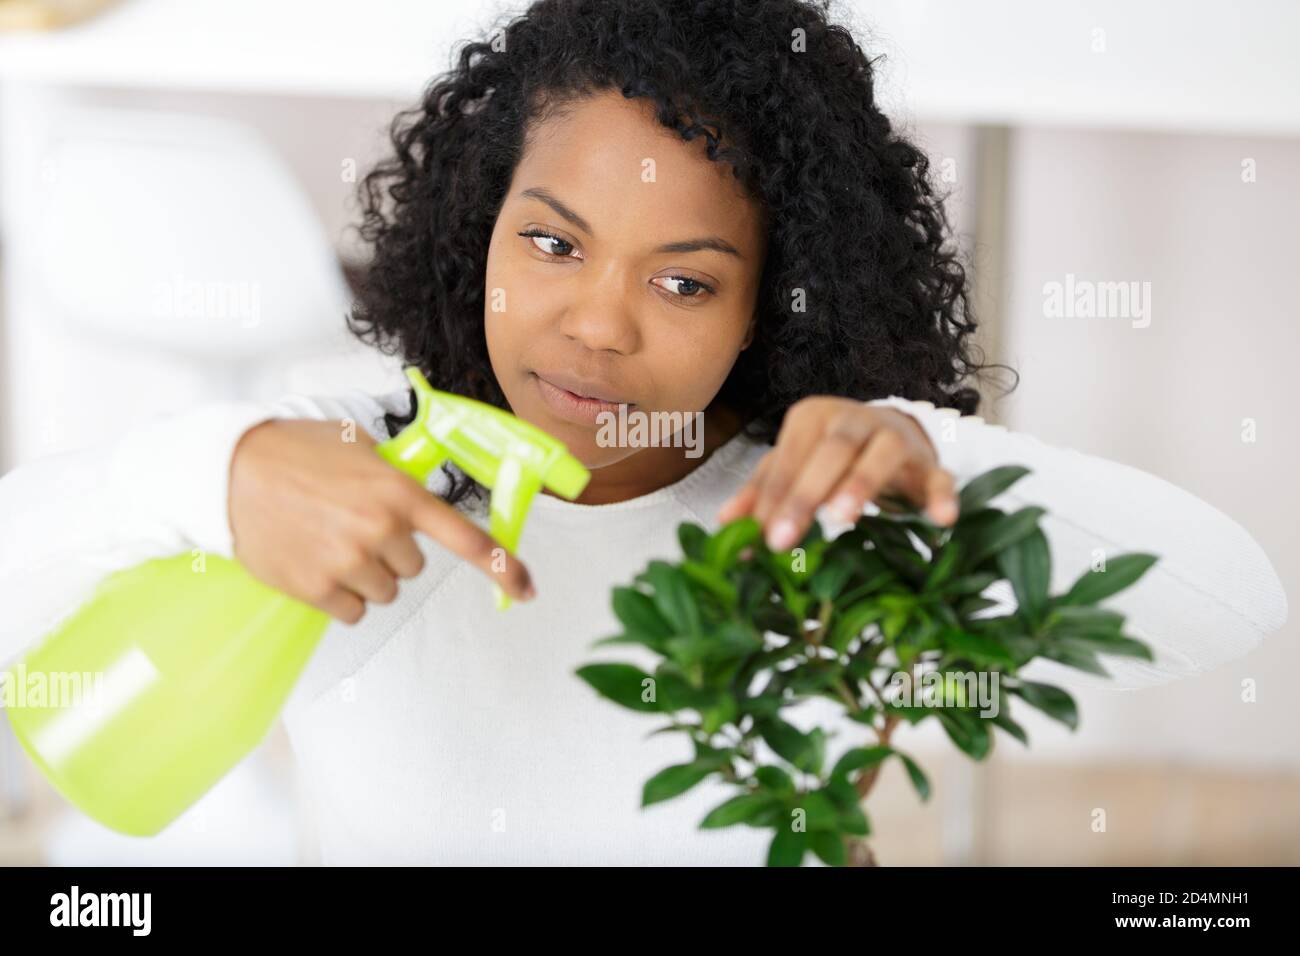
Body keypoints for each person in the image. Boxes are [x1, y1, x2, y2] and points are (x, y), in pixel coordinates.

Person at [0, 0, 1287, 865]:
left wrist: (935, 456)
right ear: (476, 229)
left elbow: (1235, 597)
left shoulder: (823, 519)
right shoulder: (359, 474)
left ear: (768, 312)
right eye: (551, 242)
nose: (596, 326)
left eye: (683, 281)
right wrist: (210, 472)